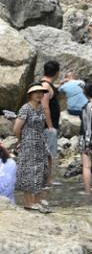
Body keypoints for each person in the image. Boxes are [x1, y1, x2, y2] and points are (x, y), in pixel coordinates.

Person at [14, 83, 51, 213]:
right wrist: (21, 140)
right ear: (30, 94)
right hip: (28, 144)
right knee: (28, 173)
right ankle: (28, 203)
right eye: (36, 92)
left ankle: (36, 201)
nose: (39, 94)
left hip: (40, 143)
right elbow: (16, 128)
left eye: (41, 92)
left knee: (41, 171)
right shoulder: (25, 108)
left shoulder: (41, 108)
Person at [40, 60, 60, 188]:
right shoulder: (46, 86)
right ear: (57, 73)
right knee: (48, 154)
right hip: (46, 126)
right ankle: (46, 181)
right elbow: (45, 107)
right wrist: (50, 126)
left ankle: (46, 180)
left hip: (45, 125)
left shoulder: (44, 83)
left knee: (47, 154)